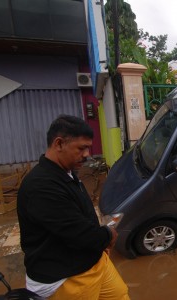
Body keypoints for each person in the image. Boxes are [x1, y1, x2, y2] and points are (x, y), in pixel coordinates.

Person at [17, 115, 130, 299]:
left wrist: (100, 243)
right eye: (81, 148)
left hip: (93, 261)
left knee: (121, 295)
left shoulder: (65, 171)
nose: (87, 154)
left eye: (88, 148)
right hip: (66, 277)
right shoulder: (41, 187)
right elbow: (79, 234)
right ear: (59, 144)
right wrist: (108, 235)